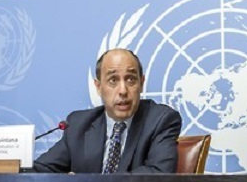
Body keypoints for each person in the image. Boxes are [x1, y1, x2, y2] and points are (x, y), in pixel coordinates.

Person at [34, 48, 182, 173]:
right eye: (113, 80)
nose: (123, 90)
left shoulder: (161, 120)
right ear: (98, 87)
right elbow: (41, 170)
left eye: (131, 79)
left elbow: (158, 174)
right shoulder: (79, 124)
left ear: (141, 84)